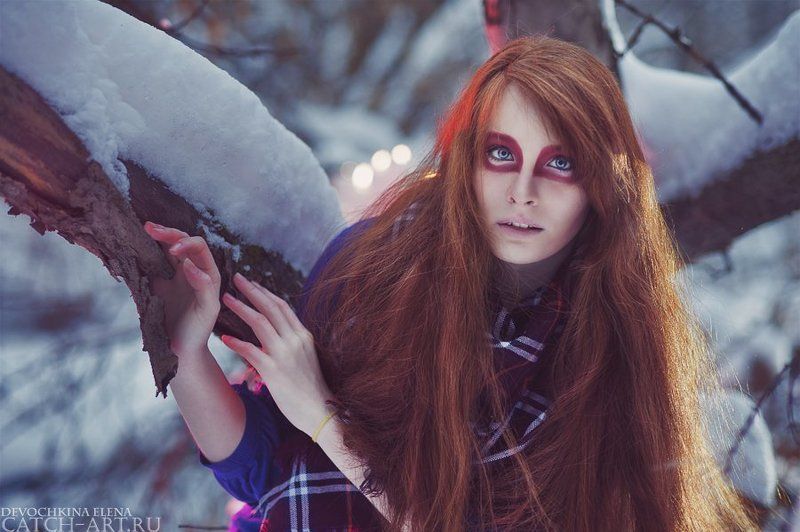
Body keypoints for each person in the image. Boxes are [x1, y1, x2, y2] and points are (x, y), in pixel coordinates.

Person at [144, 35, 758, 531]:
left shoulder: (609, 354)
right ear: (467, 159)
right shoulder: (371, 268)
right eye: (501, 154)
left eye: (560, 163)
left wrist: (326, 420)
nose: (523, 191)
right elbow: (264, 466)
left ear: (603, 185)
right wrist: (190, 353)